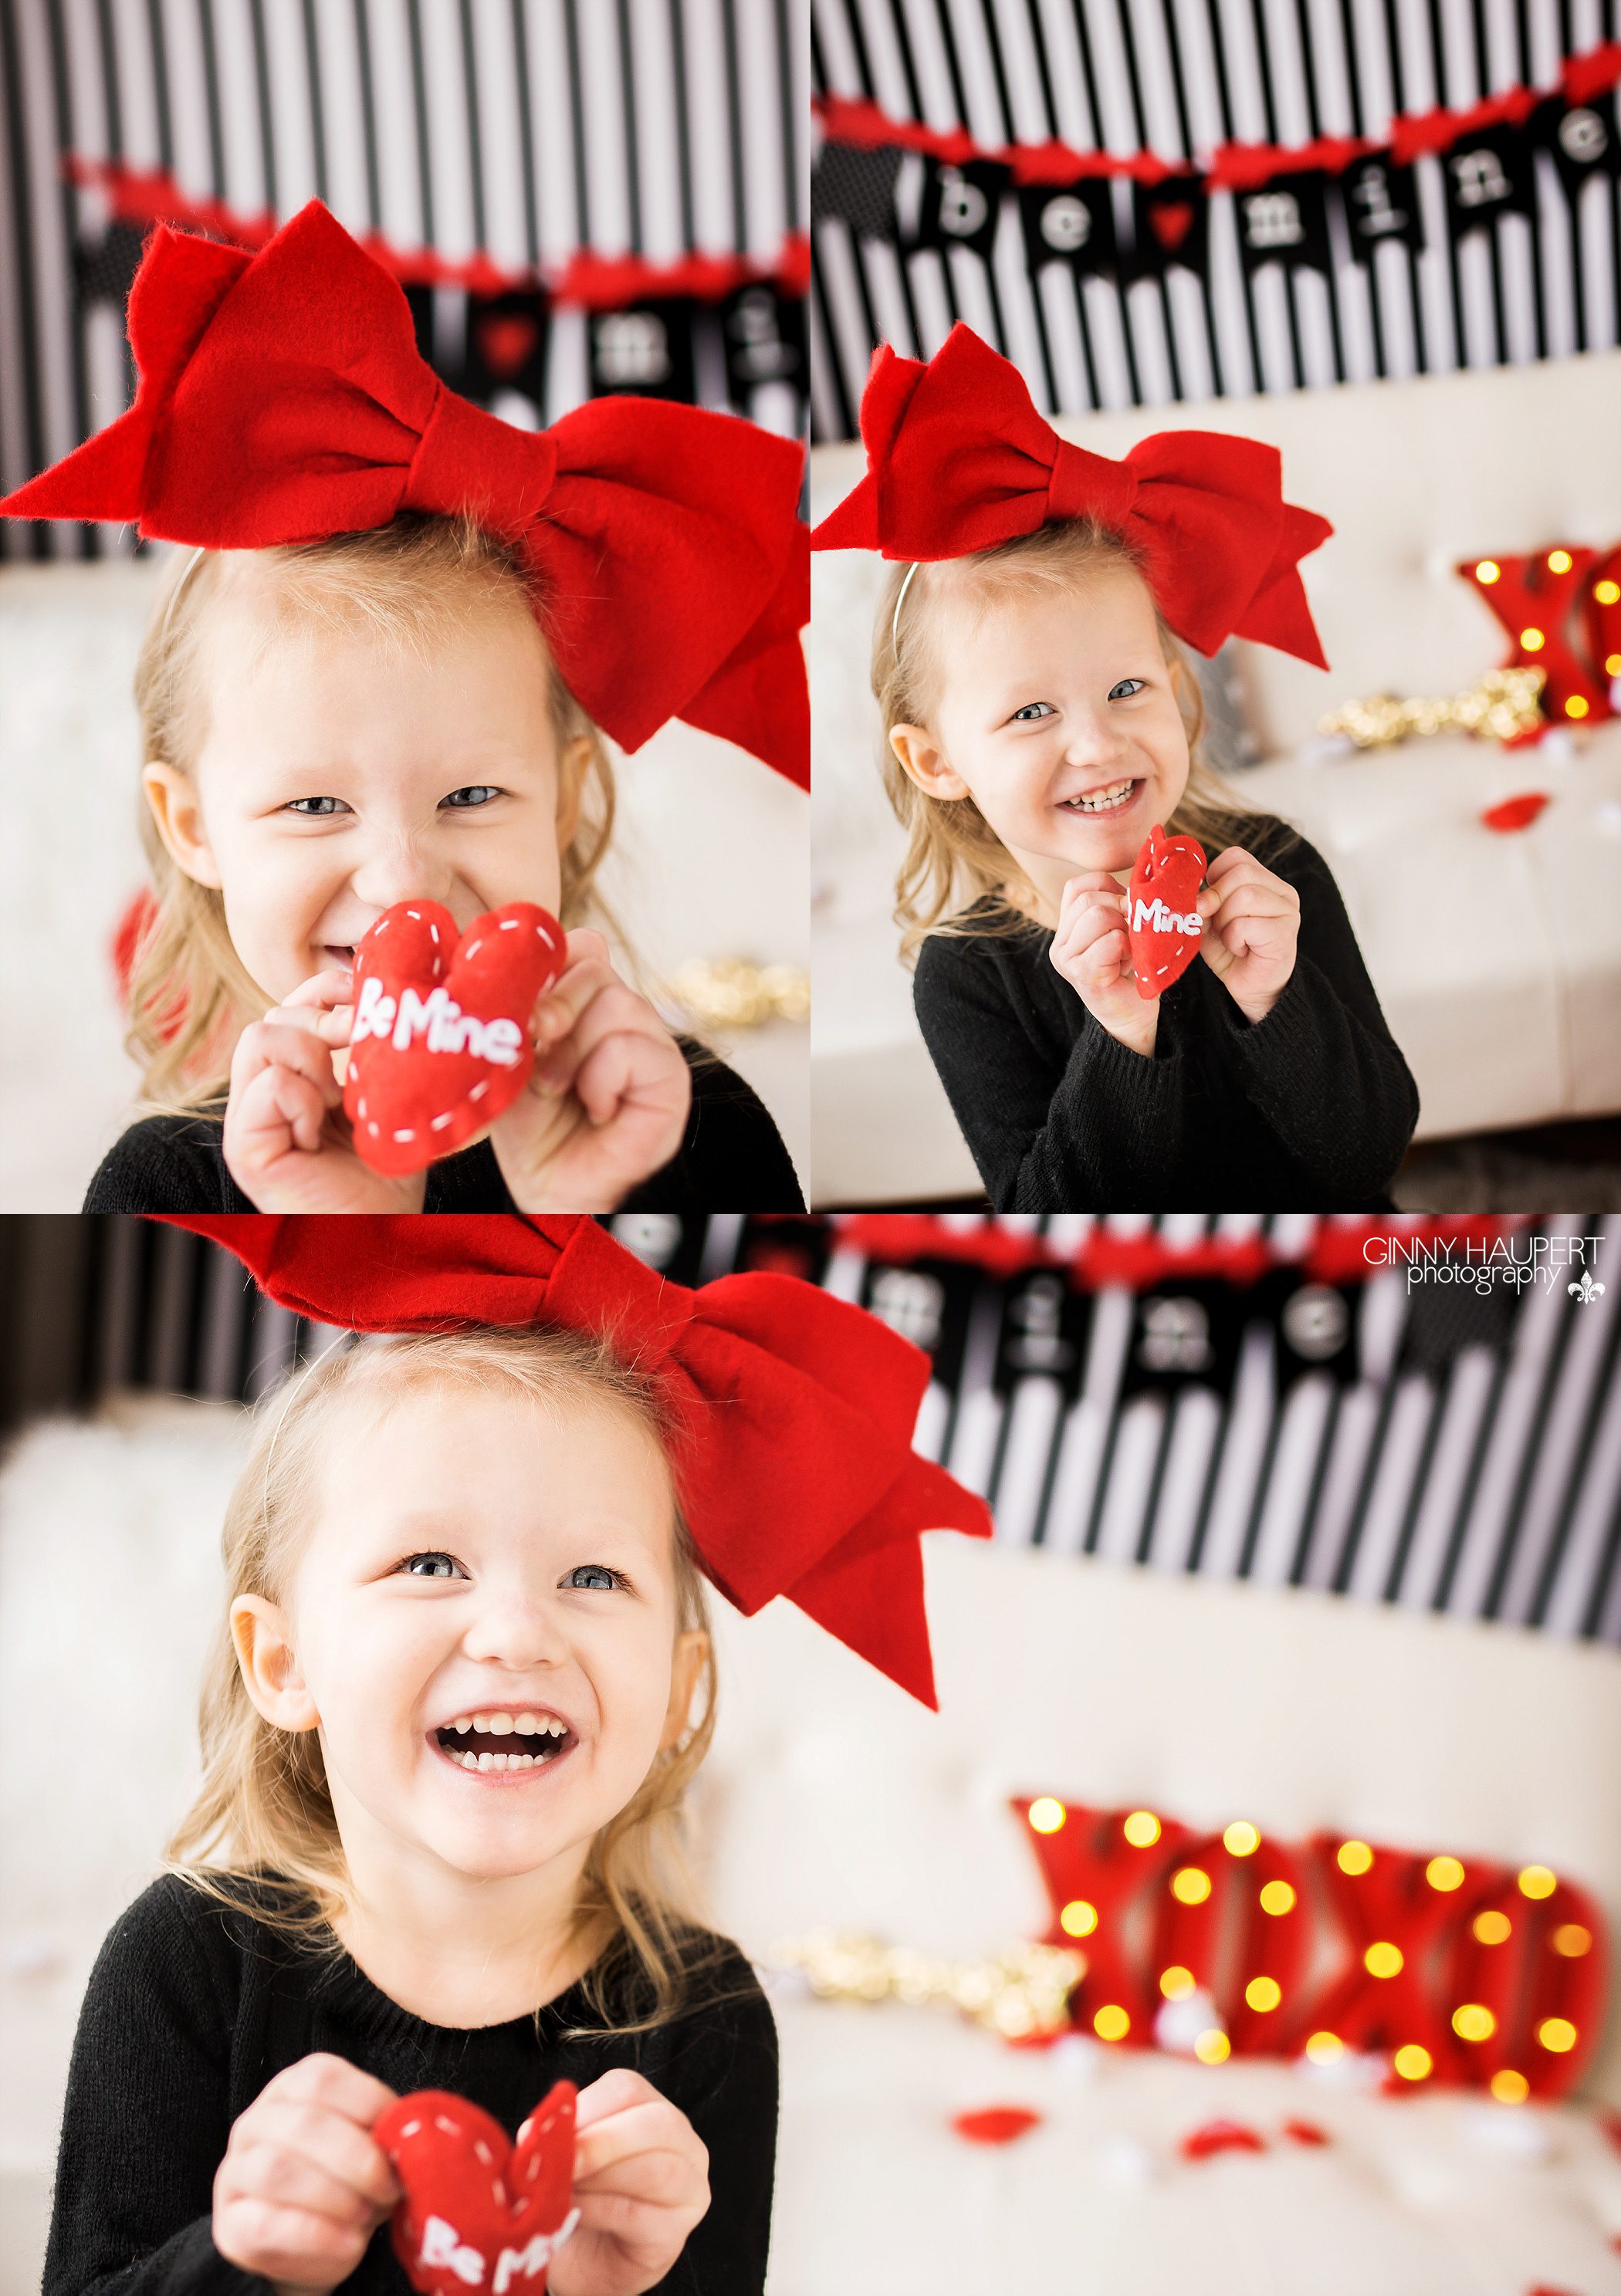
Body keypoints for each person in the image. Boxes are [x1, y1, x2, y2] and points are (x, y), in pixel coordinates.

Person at [43, 1212, 992, 2296]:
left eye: (593, 1575)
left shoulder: (706, 2018)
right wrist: (242, 2260)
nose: (517, 1631)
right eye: (431, 1559)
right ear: (284, 1661)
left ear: (679, 1691)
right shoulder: (184, 1960)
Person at [0, 201, 808, 1215]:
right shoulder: (162, 1183)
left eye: (471, 792)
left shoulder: (691, 1124)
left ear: (564, 803)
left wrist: (597, 1200)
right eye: (313, 806)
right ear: (193, 826)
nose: (403, 880)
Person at [814, 324, 1420, 1212]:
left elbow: (1371, 1155)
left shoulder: (1272, 866)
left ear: (1176, 692)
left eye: (1127, 688)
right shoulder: (968, 975)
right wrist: (1119, 1030)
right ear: (937, 759)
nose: (1097, 745)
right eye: (1030, 712)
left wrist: (1276, 998)